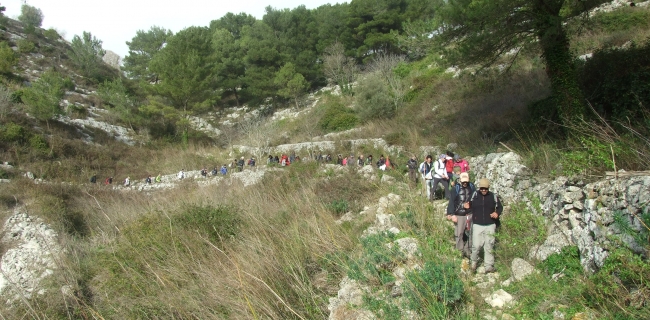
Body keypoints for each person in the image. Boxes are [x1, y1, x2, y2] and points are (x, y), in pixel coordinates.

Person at [469, 178, 503, 273]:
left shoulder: (493, 196)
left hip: (490, 224)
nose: (483, 190)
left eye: (485, 189)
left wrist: (497, 213)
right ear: (479, 188)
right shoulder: (475, 195)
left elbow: (499, 207)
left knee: (489, 245)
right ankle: (474, 262)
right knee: (476, 245)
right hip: (477, 224)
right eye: (482, 188)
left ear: (488, 188)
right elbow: (469, 205)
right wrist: (467, 206)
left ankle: (488, 265)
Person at [446, 172, 475, 258]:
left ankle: (468, 250)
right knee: (459, 233)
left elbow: (475, 199)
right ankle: (460, 251)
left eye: (466, 181)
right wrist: (451, 214)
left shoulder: (472, 187)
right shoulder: (456, 188)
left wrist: (471, 204)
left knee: (471, 233)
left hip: (470, 213)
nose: (465, 183)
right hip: (459, 214)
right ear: (460, 180)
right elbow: (451, 201)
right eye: (463, 181)